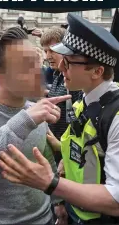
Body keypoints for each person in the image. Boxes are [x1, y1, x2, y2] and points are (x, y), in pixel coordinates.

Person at [0, 14, 119, 224]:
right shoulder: (85, 100)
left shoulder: (118, 117)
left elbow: (118, 201)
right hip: (79, 211)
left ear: (97, 71)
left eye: (69, 62)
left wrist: (50, 183)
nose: (61, 67)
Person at [0, 27, 71, 225]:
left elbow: (44, 156)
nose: (38, 72)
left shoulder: (36, 110)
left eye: (36, 62)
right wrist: (25, 121)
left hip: (45, 218)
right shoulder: (29, 116)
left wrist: (57, 201)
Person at [40, 27, 83, 163]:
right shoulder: (57, 74)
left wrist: (63, 148)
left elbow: (81, 126)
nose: (47, 56)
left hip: (70, 157)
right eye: (45, 51)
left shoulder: (76, 80)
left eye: (52, 50)